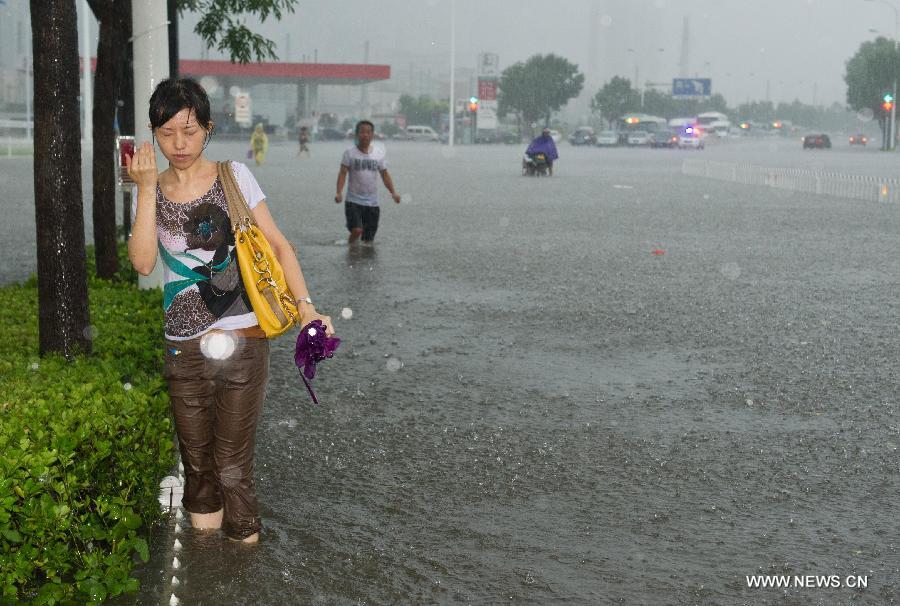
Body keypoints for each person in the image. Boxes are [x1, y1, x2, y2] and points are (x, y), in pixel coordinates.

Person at [125, 77, 332, 544]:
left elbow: (278, 247)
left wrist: (308, 310)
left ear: (208, 129)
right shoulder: (151, 189)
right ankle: (208, 569)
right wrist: (142, 191)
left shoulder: (233, 176)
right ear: (153, 133)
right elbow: (141, 262)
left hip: (243, 340)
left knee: (233, 465)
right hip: (181, 346)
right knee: (197, 464)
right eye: (167, 133)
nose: (179, 144)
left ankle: (241, 561)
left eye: (190, 130)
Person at [334, 120, 401, 244]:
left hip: (372, 203)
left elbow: (384, 174)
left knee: (368, 241)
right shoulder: (350, 153)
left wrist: (393, 193)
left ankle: (361, 258)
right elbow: (343, 173)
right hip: (353, 201)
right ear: (357, 134)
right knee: (357, 230)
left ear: (372, 135)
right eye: (362, 132)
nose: (365, 135)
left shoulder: (378, 154)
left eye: (368, 132)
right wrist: (338, 192)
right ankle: (350, 251)